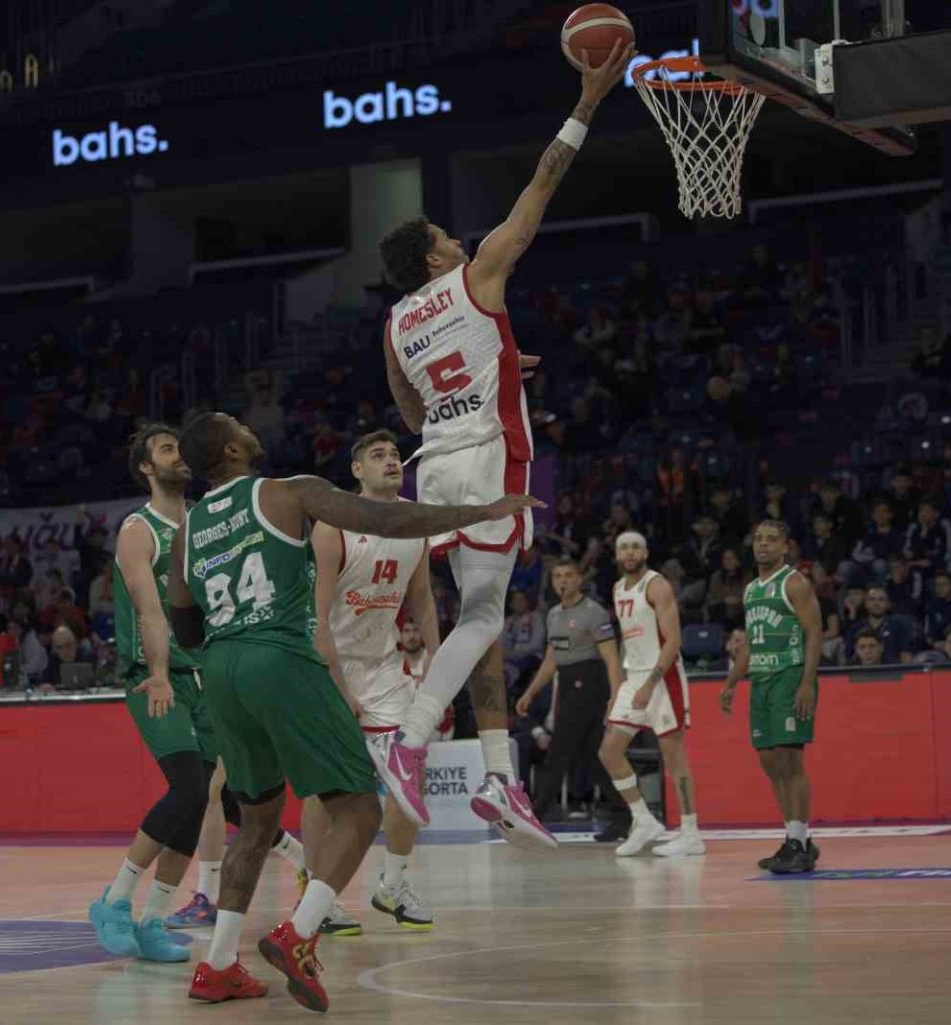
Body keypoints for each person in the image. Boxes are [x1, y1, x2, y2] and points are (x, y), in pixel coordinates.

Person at [165, 411, 536, 1009]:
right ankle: (299, 933)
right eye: (238, 424)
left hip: (222, 668)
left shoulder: (187, 532)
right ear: (231, 449)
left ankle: (218, 965)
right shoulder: (288, 492)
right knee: (360, 806)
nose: (248, 428)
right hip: (281, 656)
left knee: (256, 823)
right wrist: (479, 513)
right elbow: (388, 518)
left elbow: (185, 628)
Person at [371, 43, 630, 848]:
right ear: (433, 257)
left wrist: (500, 366)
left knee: (478, 616)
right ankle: (410, 741)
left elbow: (409, 409)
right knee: (482, 620)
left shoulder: (394, 323)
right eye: (445, 237)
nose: (459, 239)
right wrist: (586, 103)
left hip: (436, 467)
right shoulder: (479, 273)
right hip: (485, 457)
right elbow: (542, 183)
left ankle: (498, 778)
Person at [87, 423, 223, 967]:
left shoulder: (205, 523)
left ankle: (154, 920)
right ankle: (114, 901)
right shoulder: (138, 530)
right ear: (147, 467)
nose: (179, 455)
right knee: (187, 787)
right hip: (156, 677)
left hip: (207, 676)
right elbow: (149, 611)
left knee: (199, 801)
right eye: (168, 449)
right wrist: (162, 672)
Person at [310, 431, 443, 933]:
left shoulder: (415, 521)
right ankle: (319, 894)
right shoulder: (333, 524)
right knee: (328, 790)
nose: (391, 461)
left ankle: (393, 883)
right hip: (331, 663)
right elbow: (317, 617)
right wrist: (338, 687)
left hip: (385, 665)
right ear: (357, 470)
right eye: (378, 455)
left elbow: (422, 598)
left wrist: (438, 660)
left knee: (410, 771)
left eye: (395, 455)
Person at [721, 521, 823, 874]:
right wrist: (731, 682)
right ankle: (798, 838)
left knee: (790, 759)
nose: (763, 544)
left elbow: (814, 633)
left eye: (771, 539)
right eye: (758, 539)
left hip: (789, 675)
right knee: (769, 761)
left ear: (785, 547)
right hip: (761, 680)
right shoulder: (751, 590)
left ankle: (798, 842)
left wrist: (807, 682)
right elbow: (751, 642)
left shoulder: (794, 582)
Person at [598, 532, 704, 857]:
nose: (629, 552)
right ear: (617, 556)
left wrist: (649, 684)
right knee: (609, 752)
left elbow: (673, 641)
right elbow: (626, 641)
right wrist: (619, 688)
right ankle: (644, 821)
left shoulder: (657, 585)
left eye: (635, 547)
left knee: (673, 757)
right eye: (623, 548)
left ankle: (691, 833)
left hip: (663, 676)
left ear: (645, 552)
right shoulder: (617, 588)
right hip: (633, 676)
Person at [516, 557, 626, 840]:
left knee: (559, 750)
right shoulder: (553, 614)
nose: (563, 581)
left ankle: (536, 816)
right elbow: (551, 659)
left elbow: (611, 657)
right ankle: (626, 816)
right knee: (593, 755)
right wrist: (530, 692)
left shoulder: (593, 612)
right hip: (566, 682)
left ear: (579, 579)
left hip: (589, 681)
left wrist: (616, 694)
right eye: (557, 576)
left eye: (568, 575)